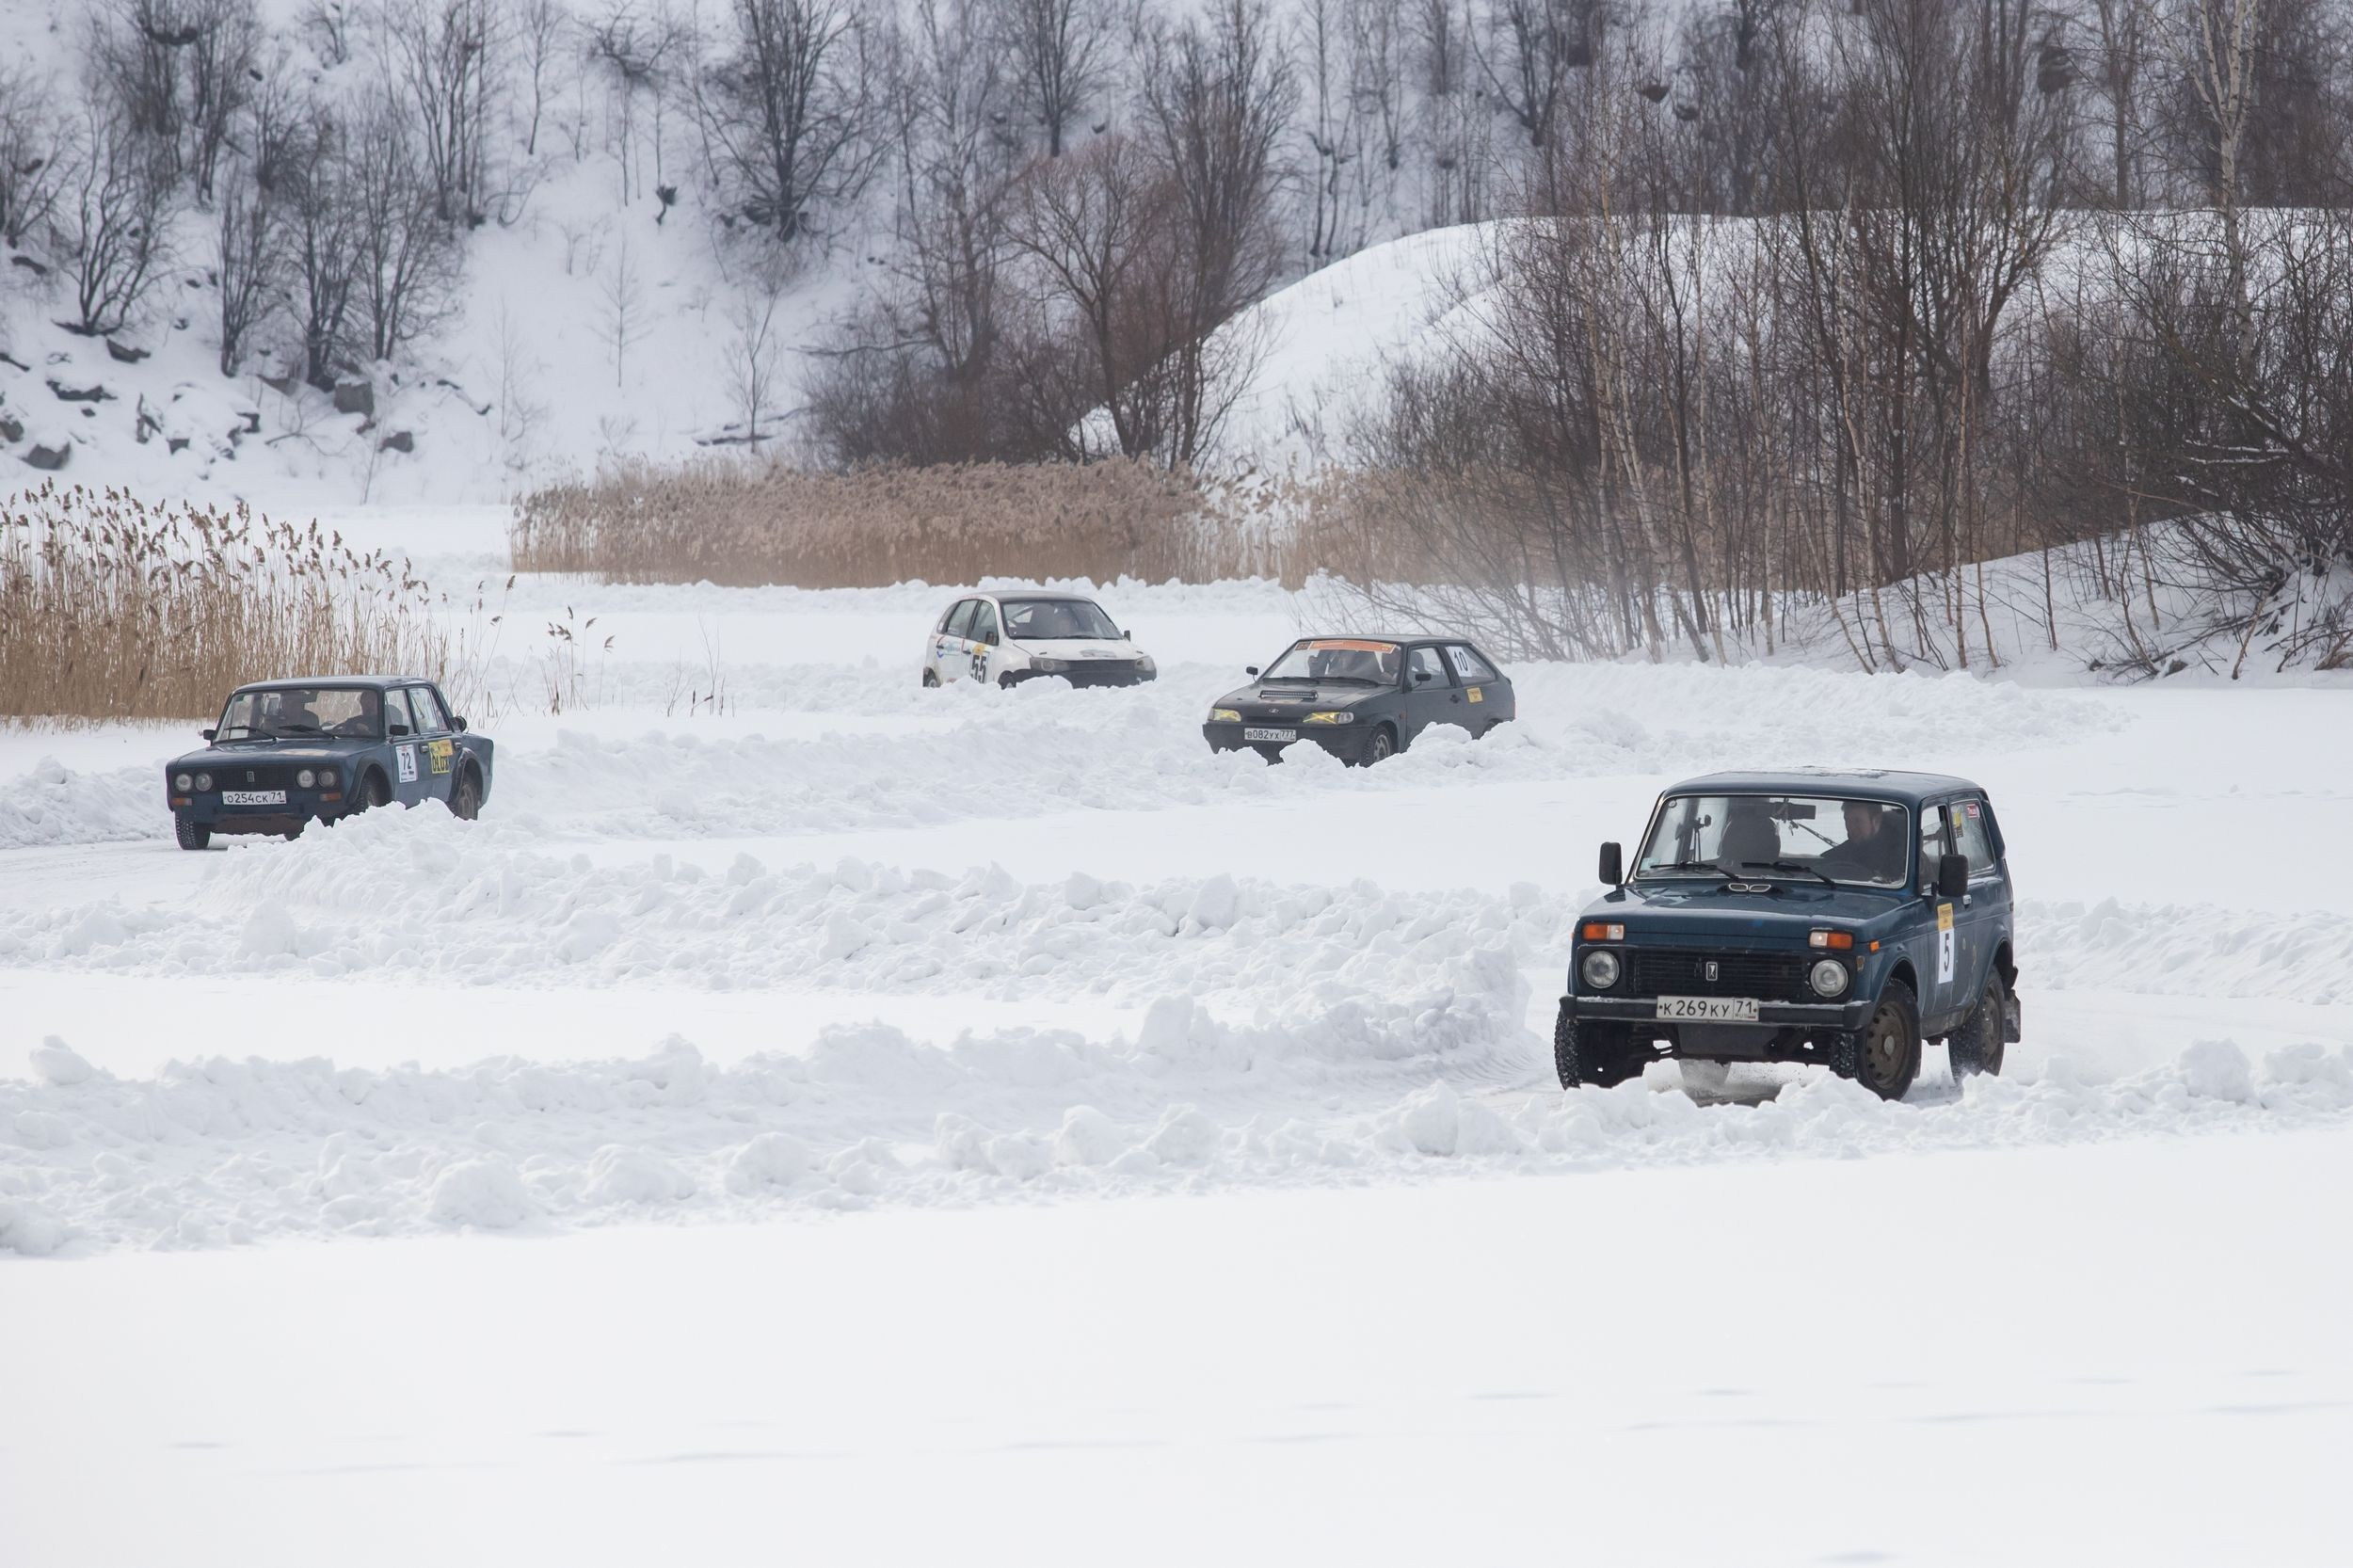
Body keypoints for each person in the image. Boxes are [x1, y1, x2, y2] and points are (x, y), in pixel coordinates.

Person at [1819, 800, 1905, 883]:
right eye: (1847, 820)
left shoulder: (1902, 855)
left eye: (1857, 821)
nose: (1850, 827)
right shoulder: (1843, 851)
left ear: (1876, 821)